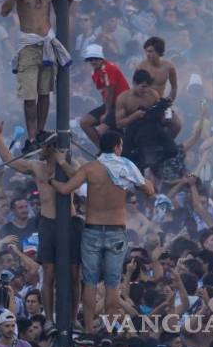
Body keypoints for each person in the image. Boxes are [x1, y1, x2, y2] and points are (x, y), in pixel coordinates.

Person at [50, 131, 155, 335]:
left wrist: (50, 180)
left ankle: (89, 331)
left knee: (90, 282)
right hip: (116, 231)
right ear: (117, 146)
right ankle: (107, 332)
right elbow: (149, 191)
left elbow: (64, 189)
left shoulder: (91, 168)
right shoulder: (126, 166)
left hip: (92, 231)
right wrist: (140, 181)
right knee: (112, 285)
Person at [0, 117, 80, 323]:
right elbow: (9, 160)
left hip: (70, 223)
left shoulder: (71, 164)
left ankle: (73, 318)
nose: (39, 150)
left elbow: (78, 177)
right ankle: (48, 319)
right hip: (48, 223)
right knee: (48, 273)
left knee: (74, 274)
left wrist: (61, 162)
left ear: (52, 147)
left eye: (43, 146)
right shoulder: (36, 167)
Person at [0, 0, 73, 151]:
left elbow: (61, 11)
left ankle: (40, 132)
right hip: (29, 45)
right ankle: (31, 139)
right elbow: (4, 11)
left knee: (44, 92)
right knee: (29, 97)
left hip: (47, 44)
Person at [78, 44, 129, 148]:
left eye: (95, 59)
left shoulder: (109, 68)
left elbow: (110, 92)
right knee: (85, 123)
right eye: (90, 59)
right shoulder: (95, 72)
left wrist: (106, 112)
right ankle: (101, 148)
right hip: (109, 103)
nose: (93, 61)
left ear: (101, 58)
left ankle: (111, 149)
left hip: (121, 104)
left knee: (101, 130)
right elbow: (104, 93)